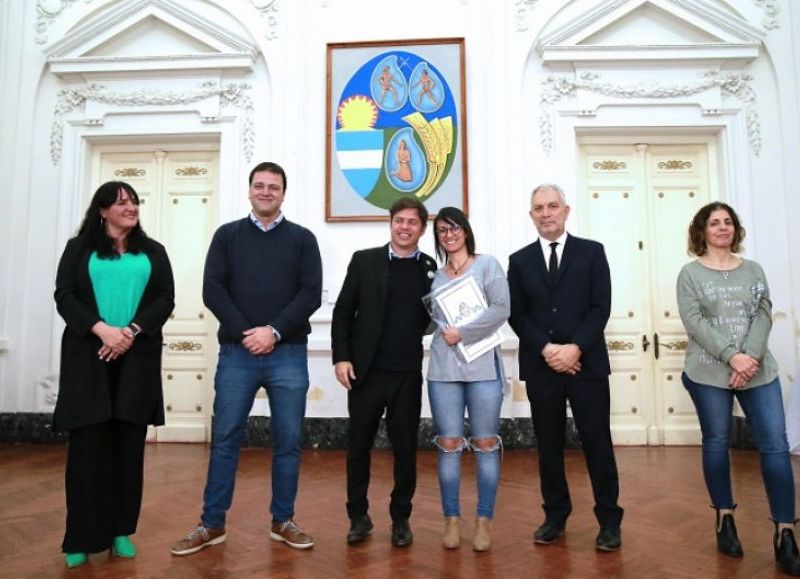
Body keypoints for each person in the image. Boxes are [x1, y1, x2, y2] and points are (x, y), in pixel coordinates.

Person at [171, 162, 322, 555]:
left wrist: (272, 331)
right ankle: (211, 524)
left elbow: (310, 294)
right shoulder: (227, 237)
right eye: (260, 185)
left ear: (284, 193)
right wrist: (248, 334)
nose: (267, 191)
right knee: (225, 440)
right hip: (237, 353)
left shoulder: (303, 240)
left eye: (274, 186)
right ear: (250, 191)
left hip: (288, 353)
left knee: (288, 441)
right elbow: (213, 290)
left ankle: (282, 520)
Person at [54, 181, 175, 568]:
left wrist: (129, 333)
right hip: (89, 357)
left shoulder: (153, 251)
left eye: (134, 201)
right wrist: (102, 330)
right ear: (102, 210)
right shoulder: (78, 249)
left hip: (135, 358)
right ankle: (80, 538)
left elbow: (164, 299)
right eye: (121, 203)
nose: (131, 207)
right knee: (87, 453)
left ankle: (120, 530)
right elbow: (65, 296)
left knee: (128, 449)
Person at [677, 202, 800, 576]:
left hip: (757, 369)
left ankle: (786, 533)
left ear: (735, 229)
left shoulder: (753, 270)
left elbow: (763, 313)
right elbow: (694, 321)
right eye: (714, 223)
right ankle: (725, 519)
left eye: (728, 222)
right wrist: (732, 356)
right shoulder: (690, 273)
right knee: (717, 441)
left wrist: (749, 358)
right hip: (708, 371)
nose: (722, 228)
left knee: (776, 446)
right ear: (701, 231)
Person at [507, 183, 623, 551]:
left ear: (566, 210)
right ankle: (555, 515)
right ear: (531, 216)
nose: (546, 213)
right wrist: (547, 349)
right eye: (539, 208)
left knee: (597, 443)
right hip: (543, 368)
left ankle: (608, 520)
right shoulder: (519, 260)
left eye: (552, 206)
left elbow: (600, 307)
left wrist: (574, 349)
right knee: (549, 446)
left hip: (586, 366)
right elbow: (517, 314)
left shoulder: (591, 252)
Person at [331, 197, 437, 547]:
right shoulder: (364, 261)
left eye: (412, 222)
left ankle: (401, 519)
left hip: (407, 373)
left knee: (405, 450)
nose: (404, 227)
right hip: (365, 373)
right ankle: (358, 517)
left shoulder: (430, 268)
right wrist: (341, 357)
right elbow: (343, 312)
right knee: (358, 447)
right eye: (399, 220)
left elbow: (432, 318)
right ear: (390, 223)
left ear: (422, 228)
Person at [425, 207, 509, 551]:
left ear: (466, 230)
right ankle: (452, 519)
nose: (449, 234)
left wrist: (463, 333)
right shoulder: (435, 276)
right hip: (443, 370)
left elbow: (501, 309)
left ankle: (484, 521)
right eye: (442, 230)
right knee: (448, 445)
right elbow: (431, 320)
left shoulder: (487, 264)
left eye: (455, 227)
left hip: (482, 368)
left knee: (486, 445)